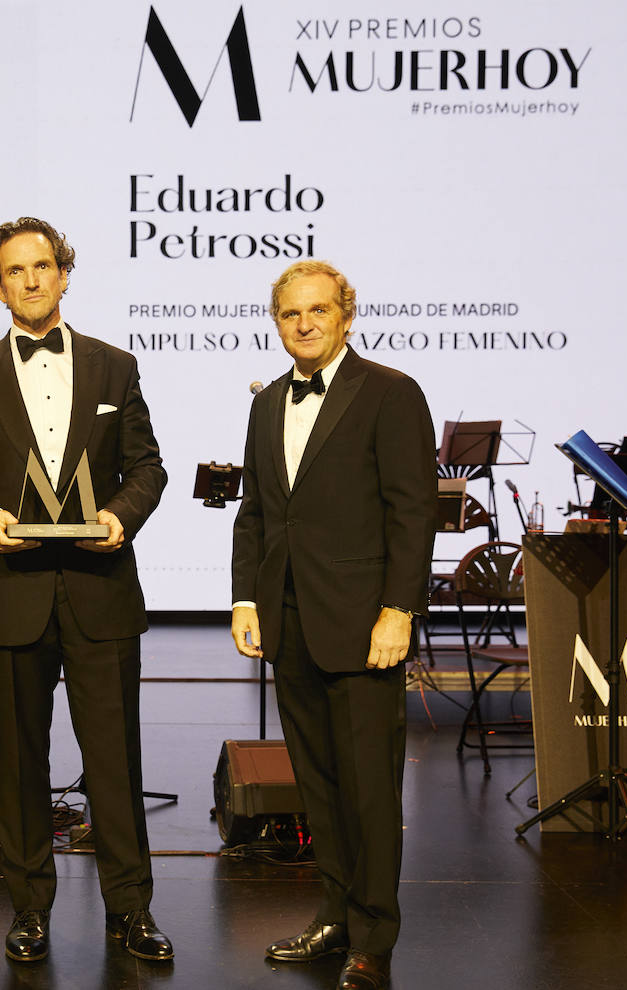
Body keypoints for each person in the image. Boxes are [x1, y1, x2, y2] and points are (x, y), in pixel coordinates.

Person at [0, 217, 173, 963]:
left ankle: (131, 910)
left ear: (65, 274)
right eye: (16, 270)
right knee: (22, 763)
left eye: (44, 266)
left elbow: (148, 468)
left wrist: (120, 516)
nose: (32, 280)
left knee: (116, 760)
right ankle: (29, 908)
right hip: (12, 593)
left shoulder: (115, 366)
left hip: (101, 586)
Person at [230, 260, 436, 990]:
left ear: (346, 314)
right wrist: (246, 600)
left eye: (319, 310)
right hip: (288, 622)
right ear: (278, 322)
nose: (305, 324)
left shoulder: (390, 393)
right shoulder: (266, 406)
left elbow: (413, 511)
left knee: (370, 790)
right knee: (318, 786)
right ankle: (336, 914)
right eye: (292, 314)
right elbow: (257, 514)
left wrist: (399, 610)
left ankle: (374, 938)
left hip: (363, 624)